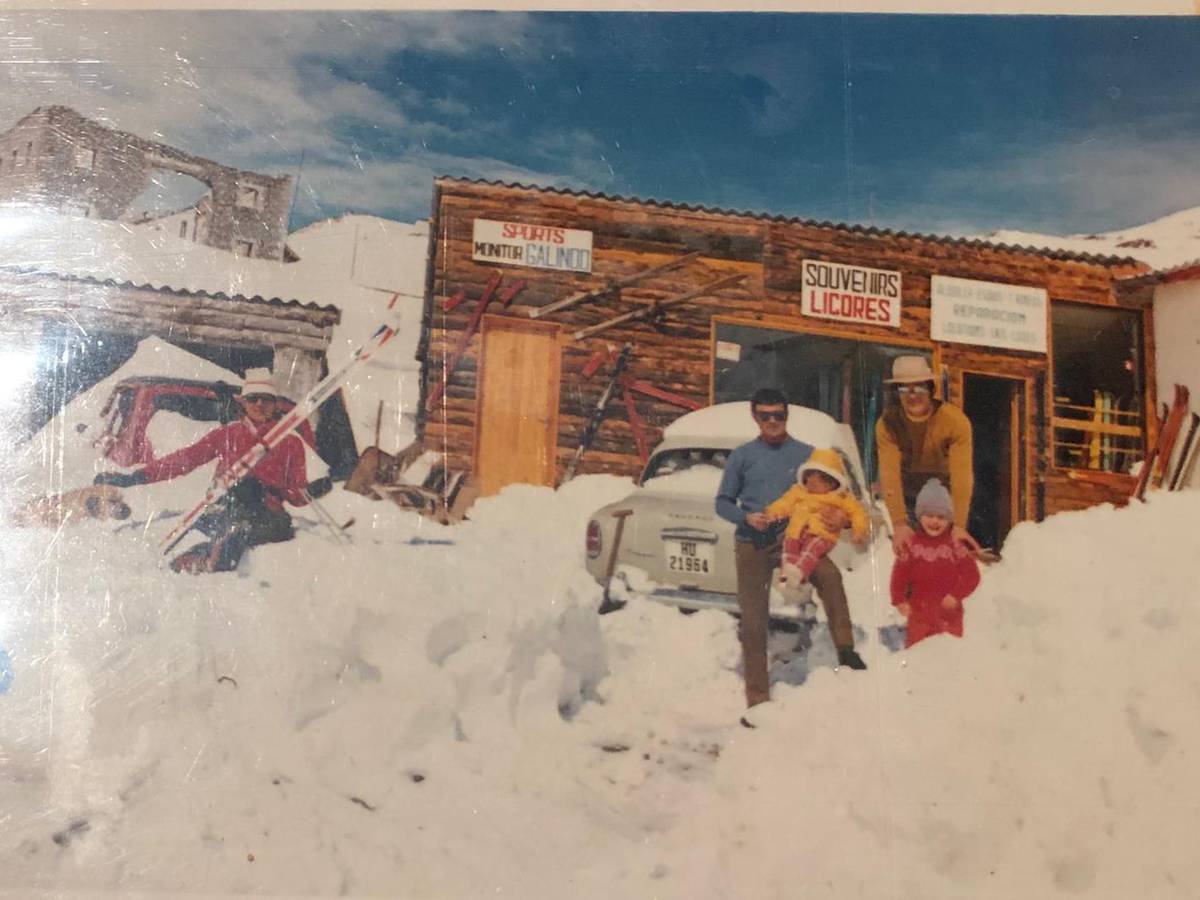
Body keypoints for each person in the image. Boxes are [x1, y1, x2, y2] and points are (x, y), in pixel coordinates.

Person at [716, 389, 868, 711]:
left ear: (787, 416)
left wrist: (841, 519)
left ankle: (847, 655)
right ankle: (758, 700)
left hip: (795, 539)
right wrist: (745, 517)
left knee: (831, 577)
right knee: (754, 620)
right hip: (753, 540)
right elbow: (722, 503)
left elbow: (843, 497)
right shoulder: (742, 455)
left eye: (779, 415)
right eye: (765, 415)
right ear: (754, 417)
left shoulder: (809, 454)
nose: (772, 421)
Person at [94, 369, 332, 573]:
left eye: (266, 400)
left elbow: (294, 494)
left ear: (275, 404)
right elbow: (185, 460)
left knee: (267, 519)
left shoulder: (290, 442)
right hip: (224, 504)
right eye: (253, 399)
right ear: (244, 403)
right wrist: (135, 477)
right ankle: (201, 559)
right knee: (235, 506)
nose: (260, 405)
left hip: (266, 512)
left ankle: (210, 558)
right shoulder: (228, 434)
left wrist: (312, 491)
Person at [874, 355, 975, 554]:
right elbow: (889, 473)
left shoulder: (954, 421)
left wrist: (959, 525)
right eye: (904, 389)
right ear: (896, 394)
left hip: (942, 497)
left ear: (930, 388)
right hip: (906, 494)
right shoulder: (887, 423)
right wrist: (900, 523)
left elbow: (962, 477)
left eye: (919, 387)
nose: (912, 395)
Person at [889, 479, 981, 648]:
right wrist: (899, 600)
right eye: (929, 516)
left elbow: (972, 575)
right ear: (920, 516)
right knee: (919, 653)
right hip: (919, 612)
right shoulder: (912, 545)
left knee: (948, 652)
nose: (934, 521)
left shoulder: (954, 545)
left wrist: (956, 595)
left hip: (948, 613)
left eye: (941, 517)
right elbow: (899, 574)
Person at [765, 448, 870, 588]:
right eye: (809, 477)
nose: (811, 482)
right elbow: (785, 503)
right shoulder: (798, 492)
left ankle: (800, 573)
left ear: (832, 483)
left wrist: (858, 531)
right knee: (789, 548)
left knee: (811, 550)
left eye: (819, 481)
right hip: (796, 531)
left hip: (822, 534)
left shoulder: (841, 498)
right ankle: (787, 577)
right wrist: (772, 513)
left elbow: (858, 513)